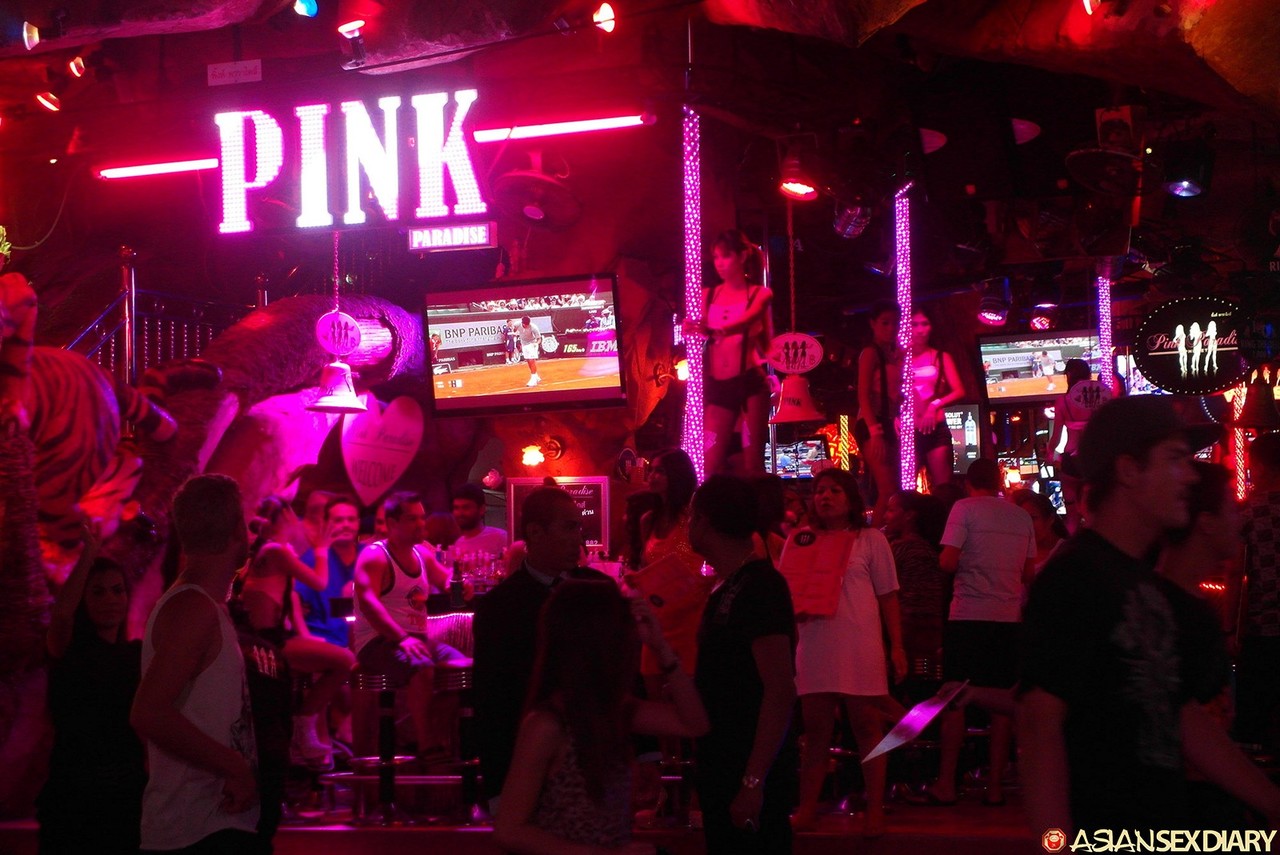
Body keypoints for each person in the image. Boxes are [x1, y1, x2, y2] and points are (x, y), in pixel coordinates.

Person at [1019, 396, 1280, 837]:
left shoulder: (1142, 583)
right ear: (1129, 470)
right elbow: (1039, 724)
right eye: (1175, 459)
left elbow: (1179, 713)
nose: (1191, 476)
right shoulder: (1075, 577)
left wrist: (1271, 803)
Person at [492, 581, 709, 854]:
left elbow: (695, 724)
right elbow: (509, 830)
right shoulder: (547, 724)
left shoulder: (612, 709)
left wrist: (661, 648)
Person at [131, 474, 260, 853]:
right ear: (237, 531)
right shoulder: (193, 608)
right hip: (196, 830)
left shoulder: (202, 604)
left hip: (208, 822)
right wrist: (234, 767)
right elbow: (148, 712)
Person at [473, 487, 612, 812]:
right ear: (535, 532)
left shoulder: (599, 589)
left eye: (578, 527)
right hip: (533, 759)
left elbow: (622, 671)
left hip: (598, 754)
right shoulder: (500, 606)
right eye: (569, 527)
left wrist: (646, 753)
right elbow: (492, 700)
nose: (579, 538)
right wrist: (497, 786)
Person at [786, 468, 906, 837]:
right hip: (815, 640)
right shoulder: (800, 539)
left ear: (850, 499)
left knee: (867, 727)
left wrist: (897, 646)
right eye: (820, 490)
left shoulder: (870, 540)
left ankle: (875, 808)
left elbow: (888, 595)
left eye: (835, 490)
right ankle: (808, 808)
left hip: (859, 640)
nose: (825, 496)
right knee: (816, 731)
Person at [690, 475, 797, 855]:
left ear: (703, 520)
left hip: (748, 764)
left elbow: (779, 688)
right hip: (724, 761)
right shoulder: (727, 585)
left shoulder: (761, 586)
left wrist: (753, 780)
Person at [928, 458, 1035, 807]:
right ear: (998, 481)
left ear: (968, 483)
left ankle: (946, 783)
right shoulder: (1021, 516)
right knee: (1001, 703)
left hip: (968, 616)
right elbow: (1028, 573)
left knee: (955, 697)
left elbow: (947, 561)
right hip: (1008, 619)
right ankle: (995, 787)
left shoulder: (964, 509)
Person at [38, 532, 146, 855]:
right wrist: (89, 554)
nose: (111, 599)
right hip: (75, 792)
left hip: (125, 790)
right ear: (83, 600)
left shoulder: (135, 655)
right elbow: (61, 616)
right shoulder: (70, 651)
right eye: (98, 592)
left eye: (117, 590)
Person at [236, 495, 355, 769]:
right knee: (345, 660)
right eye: (293, 515)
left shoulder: (267, 550)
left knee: (327, 657)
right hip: (266, 643)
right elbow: (319, 582)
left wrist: (305, 636)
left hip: (268, 638)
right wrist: (322, 549)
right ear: (283, 519)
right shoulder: (276, 552)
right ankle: (304, 724)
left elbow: (289, 600)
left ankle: (307, 735)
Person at [352, 491, 470, 760]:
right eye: (412, 519)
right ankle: (428, 746)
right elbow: (368, 603)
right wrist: (401, 638)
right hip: (378, 642)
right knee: (422, 667)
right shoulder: (374, 556)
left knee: (463, 671)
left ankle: (420, 737)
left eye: (421, 518)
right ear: (392, 523)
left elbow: (446, 581)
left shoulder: (421, 554)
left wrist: (461, 585)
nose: (420, 524)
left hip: (416, 638)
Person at [685, 229, 774, 478]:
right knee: (708, 464)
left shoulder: (760, 294)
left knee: (753, 464)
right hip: (720, 386)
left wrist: (716, 330)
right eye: (716, 257)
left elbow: (747, 320)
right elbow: (694, 328)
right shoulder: (707, 295)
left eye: (726, 256)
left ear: (742, 256)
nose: (720, 263)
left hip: (750, 383)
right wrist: (689, 327)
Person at [883, 489, 950, 699]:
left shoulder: (907, 549)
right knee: (922, 692)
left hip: (910, 634)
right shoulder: (926, 548)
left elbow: (908, 600)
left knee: (907, 693)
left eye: (891, 510)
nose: (886, 516)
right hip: (927, 634)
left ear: (909, 515)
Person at [1237, 431, 1280, 753]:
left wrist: (1230, 628)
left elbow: (1235, 570)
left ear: (1263, 467)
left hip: (1262, 624)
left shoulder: (1251, 511)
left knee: (1254, 720)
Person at [1046, 358, 1110, 532]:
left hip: (1071, 461)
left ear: (1068, 375)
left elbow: (1056, 437)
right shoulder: (1102, 398)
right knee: (1097, 514)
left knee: (1072, 516)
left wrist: (1050, 452)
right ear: (1088, 375)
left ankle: (1072, 542)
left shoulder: (1063, 401)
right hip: (1095, 459)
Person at [856, 301, 903, 525]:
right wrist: (874, 432)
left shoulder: (891, 355)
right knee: (888, 488)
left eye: (895, 323)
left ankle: (885, 533)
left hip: (886, 421)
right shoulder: (870, 353)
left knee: (894, 488)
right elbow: (863, 395)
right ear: (873, 324)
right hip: (872, 422)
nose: (891, 328)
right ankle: (874, 537)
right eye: (885, 323)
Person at [909, 305, 966, 490]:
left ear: (931, 326)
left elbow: (959, 390)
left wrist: (934, 405)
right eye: (914, 324)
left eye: (925, 324)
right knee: (906, 487)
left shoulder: (941, 357)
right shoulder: (900, 358)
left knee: (943, 486)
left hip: (936, 426)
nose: (920, 329)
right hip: (909, 428)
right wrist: (896, 415)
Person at [452, 482, 509, 555]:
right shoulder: (458, 543)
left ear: (482, 509)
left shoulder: (500, 537)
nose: (460, 513)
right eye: (456, 508)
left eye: (466, 507)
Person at [519, 315, 542, 387]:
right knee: (528, 361)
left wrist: (536, 344)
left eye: (527, 324)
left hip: (532, 344)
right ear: (522, 323)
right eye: (524, 324)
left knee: (532, 360)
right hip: (524, 344)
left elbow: (539, 339)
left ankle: (533, 379)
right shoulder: (517, 324)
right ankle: (536, 376)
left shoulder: (534, 328)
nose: (526, 326)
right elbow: (515, 329)